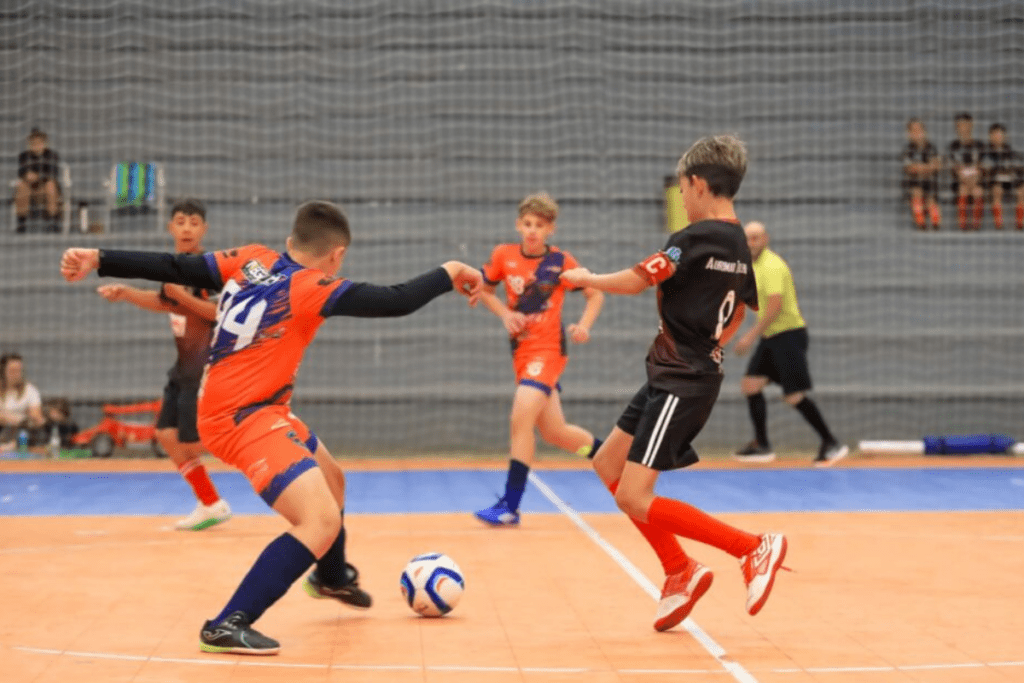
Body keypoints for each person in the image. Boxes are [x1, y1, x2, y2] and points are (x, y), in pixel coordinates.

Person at [60, 200, 482, 655]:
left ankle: (331, 577)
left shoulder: (252, 257)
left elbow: (174, 265)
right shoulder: (313, 287)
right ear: (337, 254)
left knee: (333, 480)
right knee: (318, 520)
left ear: (289, 242)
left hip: (260, 407)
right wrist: (452, 268)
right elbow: (396, 301)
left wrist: (99, 257)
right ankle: (226, 623)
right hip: (241, 418)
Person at [559, 135, 787, 632]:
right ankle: (679, 570)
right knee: (606, 462)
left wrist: (588, 279)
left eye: (682, 187)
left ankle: (751, 548)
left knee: (633, 496)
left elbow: (640, 278)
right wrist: (710, 342)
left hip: (682, 378)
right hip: (681, 371)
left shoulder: (694, 236)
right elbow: (741, 307)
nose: (681, 197)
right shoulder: (737, 244)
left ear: (698, 184)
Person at [95, 199, 232, 530]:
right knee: (166, 435)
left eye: (194, 222)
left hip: (205, 367)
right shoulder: (171, 268)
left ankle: (247, 438)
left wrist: (182, 296)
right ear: (170, 227)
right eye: (180, 221)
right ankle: (211, 503)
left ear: (204, 230)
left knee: (189, 440)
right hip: (182, 366)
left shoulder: (207, 270)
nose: (186, 228)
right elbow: (164, 302)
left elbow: (217, 312)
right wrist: (127, 293)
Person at [473, 192, 605, 527]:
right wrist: (505, 314)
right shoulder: (503, 255)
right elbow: (485, 290)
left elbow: (595, 292)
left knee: (521, 417)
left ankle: (510, 505)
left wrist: (584, 326)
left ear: (550, 230)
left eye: (540, 225)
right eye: (528, 224)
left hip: (549, 351)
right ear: (519, 225)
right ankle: (610, 457)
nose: (533, 230)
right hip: (522, 351)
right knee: (555, 431)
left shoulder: (560, 262)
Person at [731, 221, 848, 467]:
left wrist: (750, 336)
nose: (751, 243)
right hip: (771, 337)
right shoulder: (750, 267)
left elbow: (774, 308)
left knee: (794, 396)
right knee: (751, 385)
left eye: (756, 238)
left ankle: (831, 442)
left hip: (788, 335)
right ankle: (762, 445)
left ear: (766, 239)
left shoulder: (772, 265)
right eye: (747, 238)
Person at [14, 127, 61, 233]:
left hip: (45, 187)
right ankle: (21, 224)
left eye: (39, 142)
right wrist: (28, 176)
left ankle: (53, 223)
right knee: (21, 187)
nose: (36, 145)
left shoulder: (52, 155)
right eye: (33, 143)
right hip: (30, 188)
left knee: (51, 186)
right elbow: (21, 173)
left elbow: (53, 174)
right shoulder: (24, 156)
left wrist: (38, 176)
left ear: (45, 143)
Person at [980, 123, 1024, 231]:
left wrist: (1012, 172)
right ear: (990, 136)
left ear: (1005, 136)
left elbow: (1018, 168)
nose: (997, 137)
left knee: (1022, 191)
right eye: (994, 135)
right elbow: (985, 170)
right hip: (994, 182)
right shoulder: (986, 153)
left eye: (999, 135)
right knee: (997, 190)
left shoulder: (1012, 153)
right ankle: (999, 224)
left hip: (1011, 180)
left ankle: (1020, 224)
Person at [901, 118, 943, 230]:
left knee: (931, 197)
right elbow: (910, 169)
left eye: (919, 129)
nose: (917, 133)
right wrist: (927, 167)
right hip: (913, 182)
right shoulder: (908, 150)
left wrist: (920, 167)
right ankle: (921, 223)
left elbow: (937, 166)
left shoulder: (931, 148)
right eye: (913, 130)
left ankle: (935, 223)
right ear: (909, 134)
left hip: (930, 182)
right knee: (916, 192)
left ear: (925, 131)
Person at [948, 112, 986, 231]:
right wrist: (963, 178)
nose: (962, 128)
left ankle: (975, 226)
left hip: (977, 180)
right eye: (959, 125)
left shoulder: (980, 145)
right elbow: (953, 167)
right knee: (962, 190)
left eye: (965, 125)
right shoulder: (953, 146)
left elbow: (984, 166)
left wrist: (975, 179)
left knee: (978, 191)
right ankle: (963, 226)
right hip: (960, 181)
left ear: (971, 125)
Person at [0, 352, 46, 449]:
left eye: (19, 371)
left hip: (21, 433)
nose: (16, 374)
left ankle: (12, 446)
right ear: (3, 371)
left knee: (31, 428)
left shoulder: (30, 390)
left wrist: (24, 422)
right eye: (12, 371)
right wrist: (20, 419)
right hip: (3, 429)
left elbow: (36, 418)